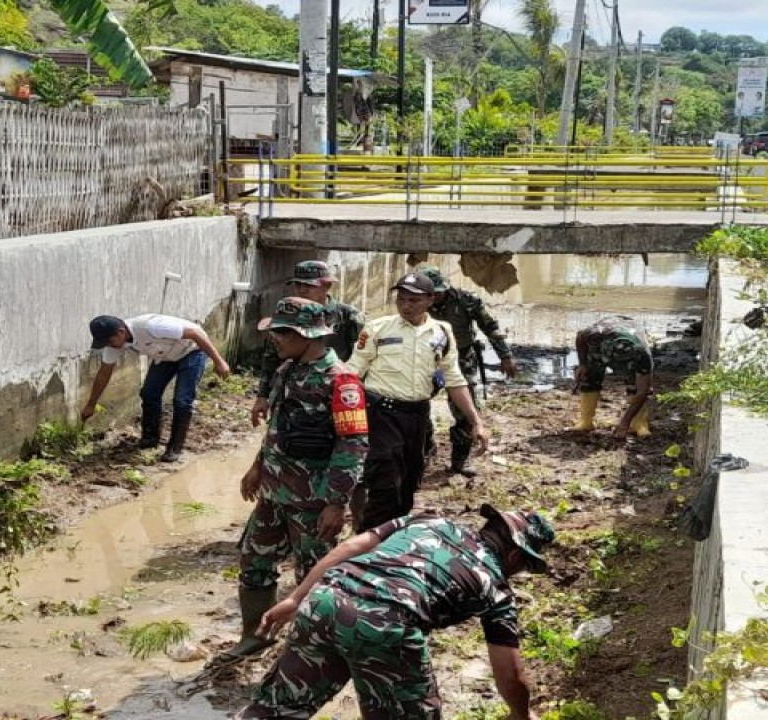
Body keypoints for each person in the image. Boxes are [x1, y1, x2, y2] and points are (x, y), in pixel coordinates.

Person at [235, 504, 555, 719]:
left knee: (276, 709)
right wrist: (521, 715)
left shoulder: (430, 520)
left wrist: (295, 599)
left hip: (327, 596)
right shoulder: (495, 587)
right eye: (525, 566)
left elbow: (350, 548)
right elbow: (510, 675)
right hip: (385, 623)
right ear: (514, 556)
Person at [217, 297, 369, 664]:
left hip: (313, 499)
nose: (276, 340)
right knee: (254, 560)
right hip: (274, 490)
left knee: (313, 574)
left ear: (307, 335)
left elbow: (353, 444)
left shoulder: (342, 381)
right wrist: (257, 467)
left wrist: (336, 502)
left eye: (283, 333)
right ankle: (256, 636)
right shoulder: (287, 371)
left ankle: (314, 650)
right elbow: (277, 428)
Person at [347, 272, 489, 532]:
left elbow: (454, 379)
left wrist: (476, 421)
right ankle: (366, 547)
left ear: (430, 300)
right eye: (401, 299)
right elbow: (352, 373)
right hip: (381, 414)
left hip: (417, 417)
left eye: (413, 300)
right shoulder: (377, 328)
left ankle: (391, 540)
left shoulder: (442, 333)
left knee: (409, 485)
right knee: (384, 483)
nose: (405, 305)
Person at [83, 313, 230, 462]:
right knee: (149, 393)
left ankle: (174, 447)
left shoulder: (151, 326)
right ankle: (150, 439)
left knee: (182, 400)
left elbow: (195, 333)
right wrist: (91, 404)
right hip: (166, 356)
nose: (109, 346)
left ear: (121, 332)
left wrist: (219, 361)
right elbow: (104, 373)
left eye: (109, 341)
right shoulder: (114, 344)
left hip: (192, 350)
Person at [421, 267, 517, 477]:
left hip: (461, 358)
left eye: (437, 292)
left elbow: (490, 326)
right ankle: (426, 448)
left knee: (466, 411)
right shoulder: (416, 301)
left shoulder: (467, 301)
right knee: (416, 404)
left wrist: (505, 356)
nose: (434, 298)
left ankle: (459, 461)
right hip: (426, 359)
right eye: (430, 293)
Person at [251, 261, 365, 428]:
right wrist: (262, 396)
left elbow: (363, 355)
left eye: (309, 285)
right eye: (298, 284)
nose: (302, 290)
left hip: (329, 388)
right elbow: (270, 358)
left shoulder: (349, 316)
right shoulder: (287, 317)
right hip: (292, 385)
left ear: (327, 285)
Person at [570, 316, 653, 439]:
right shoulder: (595, 334)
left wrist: (625, 422)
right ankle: (585, 421)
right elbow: (580, 336)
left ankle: (639, 423)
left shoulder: (642, 355)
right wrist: (582, 364)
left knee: (635, 386)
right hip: (599, 351)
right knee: (589, 376)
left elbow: (643, 392)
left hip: (629, 349)